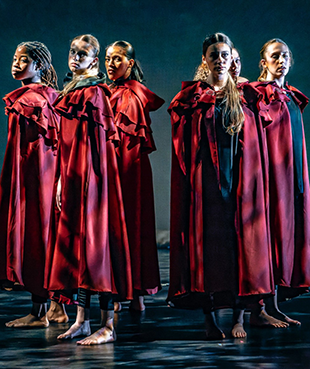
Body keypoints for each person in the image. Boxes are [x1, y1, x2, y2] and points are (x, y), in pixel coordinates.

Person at [168, 33, 274, 339]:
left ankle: (238, 317)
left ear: (231, 59)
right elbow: (184, 141)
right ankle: (210, 317)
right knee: (209, 249)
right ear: (205, 60)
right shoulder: (193, 97)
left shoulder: (244, 96)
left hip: (238, 178)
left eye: (224, 54)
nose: (219, 59)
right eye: (213, 54)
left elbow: (254, 143)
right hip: (207, 184)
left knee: (238, 246)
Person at [44, 34, 132, 345]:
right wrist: (61, 179)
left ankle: (107, 325)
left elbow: (100, 146)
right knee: (79, 249)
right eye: (72, 51)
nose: (75, 56)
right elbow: (67, 146)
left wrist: (93, 186)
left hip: (94, 181)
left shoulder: (94, 92)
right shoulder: (71, 92)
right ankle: (81, 320)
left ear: (94, 60)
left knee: (98, 249)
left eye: (83, 53)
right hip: (74, 178)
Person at [0, 41, 68, 327]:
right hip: (32, 177)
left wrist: (59, 181)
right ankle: (49, 308)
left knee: (40, 236)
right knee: (41, 237)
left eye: (23, 59)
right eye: (15, 58)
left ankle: (47, 310)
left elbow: (55, 144)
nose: (16, 63)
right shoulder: (44, 97)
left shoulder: (37, 99)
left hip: (39, 179)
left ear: (38, 65)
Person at [251, 38, 310, 326]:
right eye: (275, 56)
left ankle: (273, 306)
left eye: (285, 55)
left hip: (292, 177)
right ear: (263, 62)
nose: (281, 60)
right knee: (268, 235)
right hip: (269, 177)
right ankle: (258, 308)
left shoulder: (291, 97)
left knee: (285, 235)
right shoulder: (258, 94)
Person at [105, 40, 163, 312]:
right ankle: (122, 291)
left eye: (117, 58)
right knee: (114, 229)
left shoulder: (133, 95)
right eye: (107, 58)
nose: (111, 63)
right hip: (113, 169)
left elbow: (128, 141)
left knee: (131, 223)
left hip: (129, 170)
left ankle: (134, 292)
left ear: (130, 63)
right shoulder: (105, 92)